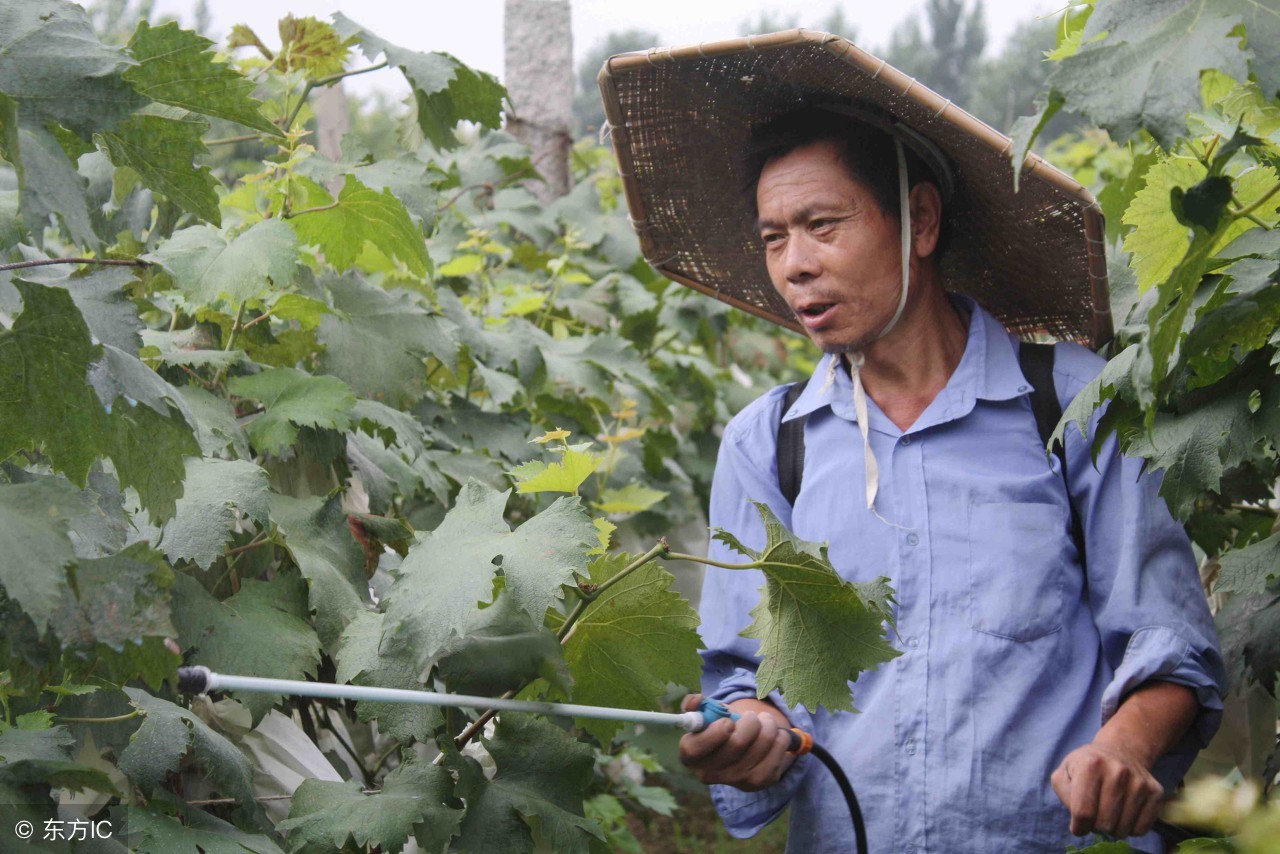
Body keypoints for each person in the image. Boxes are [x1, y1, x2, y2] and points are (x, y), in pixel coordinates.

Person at [598, 32, 1227, 853]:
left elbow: (1169, 642)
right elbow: (748, 680)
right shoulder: (770, 443)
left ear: (920, 221)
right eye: (773, 238)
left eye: (822, 225)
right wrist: (745, 731)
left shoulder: (1071, 403)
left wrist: (1125, 746)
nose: (794, 266)